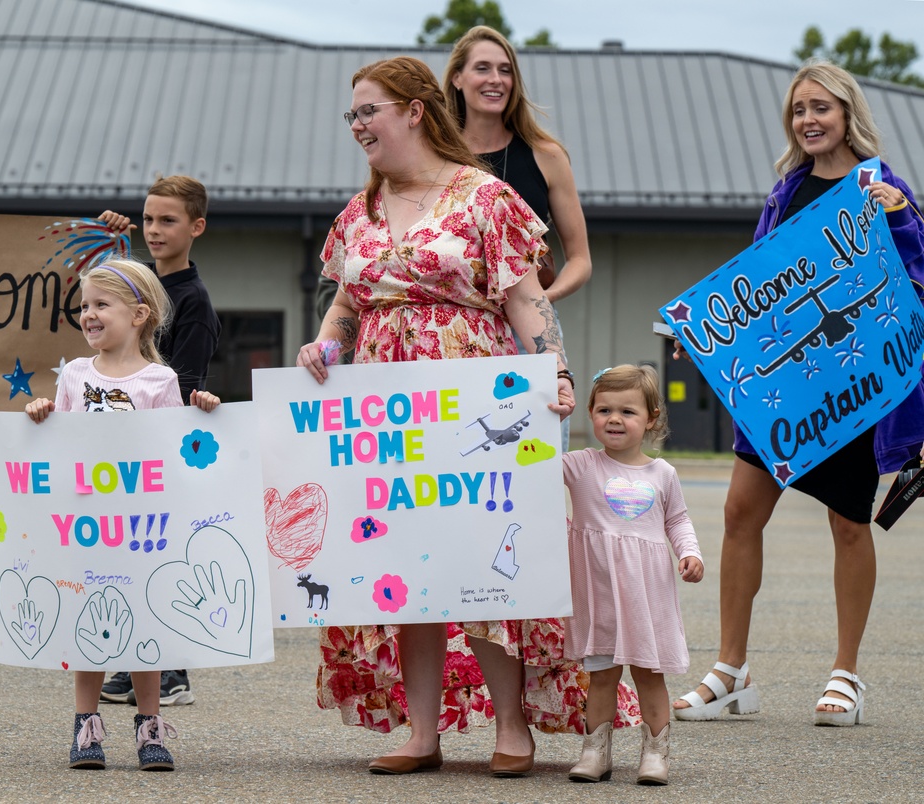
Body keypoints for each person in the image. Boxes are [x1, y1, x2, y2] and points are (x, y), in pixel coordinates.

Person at [297, 55, 640, 777]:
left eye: (369, 111)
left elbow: (526, 299)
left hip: (473, 395)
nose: (357, 125)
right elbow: (345, 306)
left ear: (415, 110)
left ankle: (512, 726)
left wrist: (559, 372)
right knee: (407, 564)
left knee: (483, 558)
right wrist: (324, 345)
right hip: (386, 409)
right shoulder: (357, 213)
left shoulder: (484, 197)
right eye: (351, 115)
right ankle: (423, 732)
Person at [672, 60, 924, 727]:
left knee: (849, 523)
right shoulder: (786, 191)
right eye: (799, 110)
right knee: (737, 515)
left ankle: (846, 673)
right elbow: (755, 282)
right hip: (782, 392)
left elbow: (914, 277)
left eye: (821, 108)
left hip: (852, 389)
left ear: (848, 115)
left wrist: (899, 219)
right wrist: (702, 334)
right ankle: (731, 669)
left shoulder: (881, 186)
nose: (808, 120)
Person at [25, 258, 220, 770]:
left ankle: (149, 725)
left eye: (100, 305)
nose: (88, 314)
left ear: (139, 314)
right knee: (87, 624)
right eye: (84, 306)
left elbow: (177, 452)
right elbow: (62, 445)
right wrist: (41, 416)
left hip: (140, 529)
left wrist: (204, 413)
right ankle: (85, 726)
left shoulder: (160, 380)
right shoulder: (73, 374)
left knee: (143, 625)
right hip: (87, 525)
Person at [98, 175, 222, 707]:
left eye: (167, 220)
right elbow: (98, 308)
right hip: (122, 443)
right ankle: (131, 666)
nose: (154, 230)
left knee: (161, 557)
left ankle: (171, 671)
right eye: (148, 219)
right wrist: (112, 246)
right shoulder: (139, 286)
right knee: (127, 556)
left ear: (196, 227)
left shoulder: (193, 302)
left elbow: (184, 383)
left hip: (161, 444)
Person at [443, 25, 593, 452]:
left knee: (536, 458)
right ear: (457, 78)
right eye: (482, 68)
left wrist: (541, 303)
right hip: (456, 332)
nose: (496, 79)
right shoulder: (435, 158)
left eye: (505, 70)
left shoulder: (545, 155)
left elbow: (580, 259)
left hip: (530, 333)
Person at [562, 365, 702, 786]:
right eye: (604, 409)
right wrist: (554, 415)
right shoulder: (579, 465)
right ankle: (595, 752)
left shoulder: (663, 474)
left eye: (628, 411)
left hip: (647, 591)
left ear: (652, 418)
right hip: (599, 590)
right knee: (601, 673)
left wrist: (690, 552)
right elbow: (531, 464)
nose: (615, 419)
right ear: (589, 413)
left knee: (648, 672)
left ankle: (655, 754)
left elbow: (677, 520)